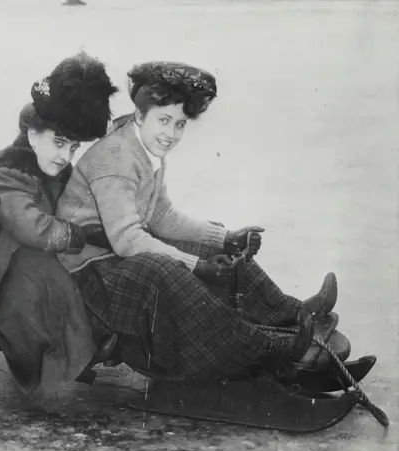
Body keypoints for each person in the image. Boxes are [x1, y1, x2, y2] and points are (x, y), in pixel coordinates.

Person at [53, 61, 341, 382]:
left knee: (199, 245)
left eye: (179, 124)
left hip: (111, 256)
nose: (171, 134)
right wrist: (195, 266)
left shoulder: (145, 149)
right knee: (163, 270)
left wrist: (223, 238)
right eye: (163, 121)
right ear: (139, 116)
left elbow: (160, 215)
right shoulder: (116, 158)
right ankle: (267, 348)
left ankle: (292, 311)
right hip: (88, 278)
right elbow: (127, 240)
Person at [0, 52, 119, 397]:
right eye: (58, 143)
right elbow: (30, 227)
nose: (64, 156)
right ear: (33, 133)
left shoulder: (55, 168)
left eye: (73, 147)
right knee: (36, 268)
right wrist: (77, 234)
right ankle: (53, 358)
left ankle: (75, 348)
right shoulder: (6, 172)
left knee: (60, 265)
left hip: (14, 254)